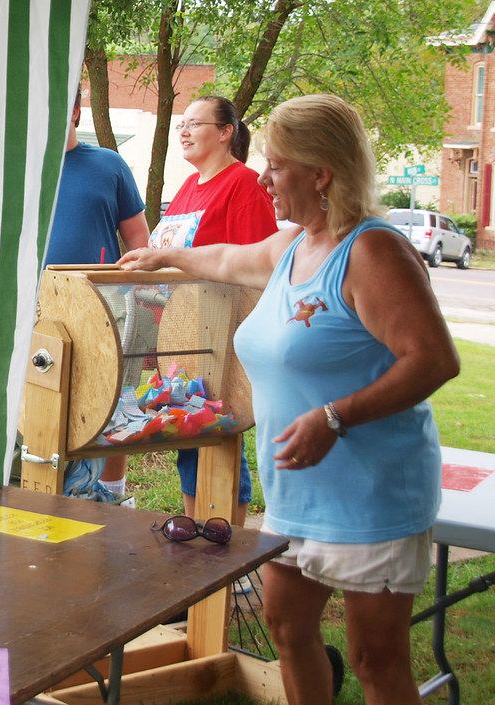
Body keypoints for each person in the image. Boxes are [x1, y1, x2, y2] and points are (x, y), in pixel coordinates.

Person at [120, 94, 459, 705]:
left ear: (321, 173)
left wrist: (335, 417)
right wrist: (164, 254)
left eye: (276, 166)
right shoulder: (293, 246)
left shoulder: (372, 250)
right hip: (295, 495)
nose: (263, 179)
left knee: (375, 659)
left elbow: (434, 359)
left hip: (370, 496)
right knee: (287, 629)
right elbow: (227, 258)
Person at [151, 95, 277, 527]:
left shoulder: (243, 184)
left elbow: (258, 267)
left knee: (220, 437)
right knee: (188, 438)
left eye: (195, 123)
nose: (184, 132)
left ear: (225, 132)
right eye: (181, 124)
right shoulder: (189, 186)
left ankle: (227, 542)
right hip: (183, 337)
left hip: (224, 338)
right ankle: (195, 538)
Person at [44, 88, 149, 498]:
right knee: (47, 400)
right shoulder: (19, 167)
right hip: (40, 310)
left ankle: (112, 495)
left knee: (110, 401)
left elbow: (138, 239)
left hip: (103, 307)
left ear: (75, 111)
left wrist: (132, 292)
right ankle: (51, 492)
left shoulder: (109, 164)